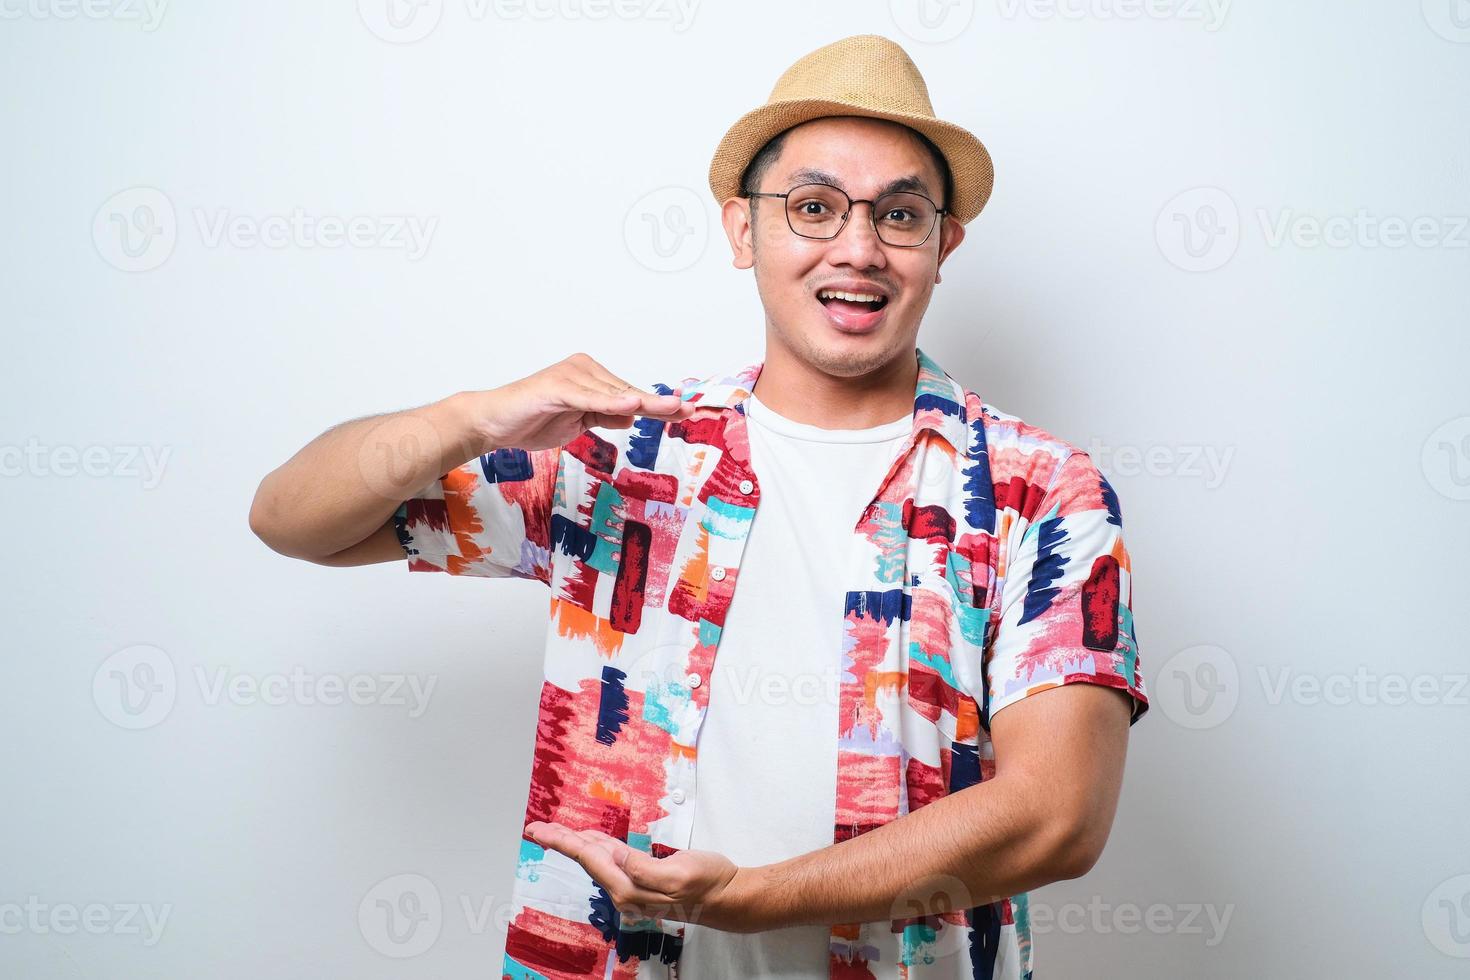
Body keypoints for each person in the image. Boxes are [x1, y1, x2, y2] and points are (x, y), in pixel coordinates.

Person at [249, 33, 1149, 980]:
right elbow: (293, 518)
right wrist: (471, 418)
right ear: (740, 229)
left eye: (901, 216)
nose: (857, 248)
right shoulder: (627, 456)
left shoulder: (1037, 489)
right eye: (812, 208)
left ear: (943, 247)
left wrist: (749, 901)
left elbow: (1059, 818)